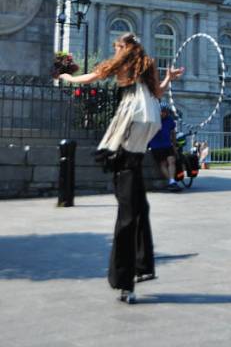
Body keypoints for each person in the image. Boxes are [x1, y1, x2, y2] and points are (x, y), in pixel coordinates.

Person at [59, 32, 183, 302]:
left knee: (136, 211)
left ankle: (135, 271)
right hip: (130, 150)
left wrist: (68, 79)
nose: (116, 51)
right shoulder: (140, 66)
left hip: (130, 150)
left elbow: (94, 76)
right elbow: (154, 93)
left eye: (117, 47)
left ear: (123, 47)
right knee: (131, 213)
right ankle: (129, 275)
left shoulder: (132, 65)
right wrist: (167, 79)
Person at [148, 103, 180, 192]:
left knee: (172, 161)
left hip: (167, 145)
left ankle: (172, 181)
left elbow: (172, 133)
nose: (164, 113)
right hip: (156, 146)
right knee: (163, 164)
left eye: (165, 112)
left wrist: (174, 145)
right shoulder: (153, 119)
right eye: (162, 112)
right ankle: (171, 182)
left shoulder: (169, 120)